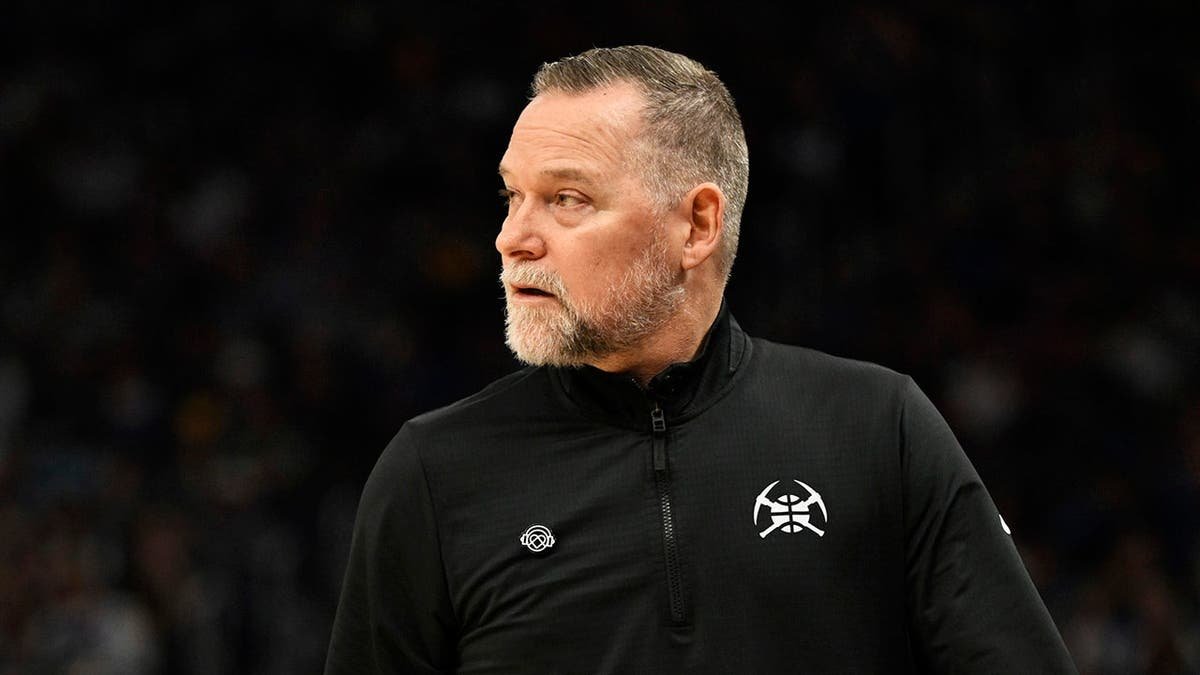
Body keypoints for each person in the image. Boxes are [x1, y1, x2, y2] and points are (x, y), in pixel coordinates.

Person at [324, 45, 1077, 674]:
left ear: (697, 225)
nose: (512, 238)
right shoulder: (432, 472)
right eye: (513, 196)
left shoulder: (878, 428)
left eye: (567, 199)